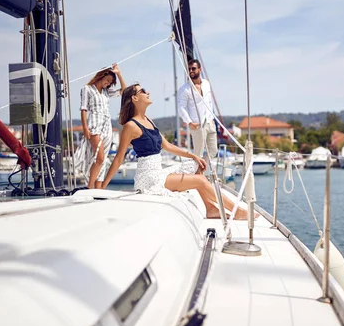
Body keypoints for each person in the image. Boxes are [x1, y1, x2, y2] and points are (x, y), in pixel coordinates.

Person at [102, 83, 254, 220]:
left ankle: (211, 209)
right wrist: (102, 187)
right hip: (148, 179)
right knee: (201, 181)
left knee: (196, 166)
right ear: (134, 98)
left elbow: (168, 146)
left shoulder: (148, 120)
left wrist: (193, 156)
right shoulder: (131, 126)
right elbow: (118, 158)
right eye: (142, 91)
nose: (148, 92)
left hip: (158, 173)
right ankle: (237, 211)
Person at [77, 64, 127, 188]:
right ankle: (89, 188)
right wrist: (85, 128)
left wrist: (119, 74)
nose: (108, 83)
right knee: (99, 158)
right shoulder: (87, 89)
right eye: (108, 80)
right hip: (94, 126)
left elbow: (124, 91)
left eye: (111, 82)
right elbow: (83, 109)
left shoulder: (106, 92)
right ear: (101, 76)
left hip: (107, 127)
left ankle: (98, 189)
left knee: (103, 160)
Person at [177, 59, 218, 158]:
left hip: (210, 122)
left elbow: (209, 102)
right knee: (198, 154)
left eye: (193, 68)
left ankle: (201, 171)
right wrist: (189, 122)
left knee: (213, 151)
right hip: (197, 125)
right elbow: (181, 108)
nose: (191, 71)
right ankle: (197, 173)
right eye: (189, 69)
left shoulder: (207, 84)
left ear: (200, 69)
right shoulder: (184, 89)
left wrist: (211, 118)